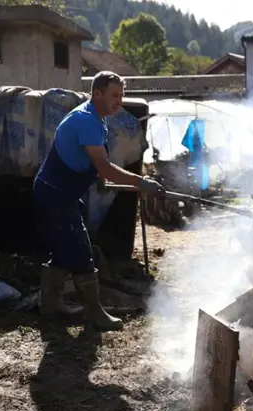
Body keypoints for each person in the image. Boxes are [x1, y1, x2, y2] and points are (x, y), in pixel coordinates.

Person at [34, 71, 164, 332]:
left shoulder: (96, 119)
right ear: (97, 94)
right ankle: (94, 313)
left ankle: (50, 303)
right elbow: (105, 167)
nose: (119, 101)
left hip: (63, 193)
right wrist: (141, 182)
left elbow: (93, 165)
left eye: (122, 95)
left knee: (64, 244)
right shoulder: (87, 122)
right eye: (114, 95)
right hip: (55, 193)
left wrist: (101, 179)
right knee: (80, 248)